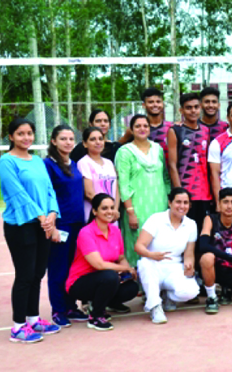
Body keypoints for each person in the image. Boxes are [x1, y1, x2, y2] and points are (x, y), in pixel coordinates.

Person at [0, 118, 62, 343]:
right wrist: (42, 217)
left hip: (43, 224)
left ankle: (33, 320)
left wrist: (52, 214)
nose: (26, 138)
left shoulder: (37, 160)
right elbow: (17, 194)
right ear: (11, 137)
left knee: (37, 274)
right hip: (21, 225)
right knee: (25, 276)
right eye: (20, 134)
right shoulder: (6, 161)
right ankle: (18, 327)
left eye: (29, 133)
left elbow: (49, 190)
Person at [66, 194, 139, 331]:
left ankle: (102, 303)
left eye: (112, 208)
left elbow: (121, 257)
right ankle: (96, 316)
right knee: (109, 277)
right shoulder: (86, 233)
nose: (109, 211)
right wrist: (124, 270)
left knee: (131, 288)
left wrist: (127, 270)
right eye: (104, 208)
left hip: (105, 278)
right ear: (94, 211)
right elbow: (98, 265)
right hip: (80, 283)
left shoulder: (115, 231)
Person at [44, 125, 88, 327]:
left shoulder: (74, 163)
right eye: (63, 138)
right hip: (61, 225)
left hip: (78, 223)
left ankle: (71, 306)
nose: (68, 142)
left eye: (71, 138)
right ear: (53, 141)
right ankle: (58, 309)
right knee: (58, 268)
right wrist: (51, 227)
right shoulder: (48, 165)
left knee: (73, 267)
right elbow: (45, 196)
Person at [134, 188, 200, 324]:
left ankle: (167, 296)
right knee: (145, 263)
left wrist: (189, 266)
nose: (182, 206)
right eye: (178, 202)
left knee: (192, 291)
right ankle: (155, 306)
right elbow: (139, 246)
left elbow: (189, 254)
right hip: (153, 265)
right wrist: (150, 254)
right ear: (170, 203)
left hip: (174, 267)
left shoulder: (191, 225)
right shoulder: (156, 219)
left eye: (186, 203)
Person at [116, 114, 171, 267]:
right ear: (131, 130)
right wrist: (130, 211)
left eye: (145, 126)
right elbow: (123, 184)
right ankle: (138, 284)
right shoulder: (125, 152)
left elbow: (166, 178)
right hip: (137, 207)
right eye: (138, 126)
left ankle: (160, 281)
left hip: (159, 205)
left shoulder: (158, 148)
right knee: (138, 241)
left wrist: (168, 203)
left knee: (159, 240)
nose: (142, 129)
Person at [167, 93, 214, 231]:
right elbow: (172, 164)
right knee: (185, 231)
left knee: (202, 232)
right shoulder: (175, 130)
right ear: (181, 110)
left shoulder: (206, 130)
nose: (193, 111)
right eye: (188, 108)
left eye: (196, 107)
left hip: (205, 192)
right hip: (186, 191)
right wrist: (179, 192)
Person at [77, 127, 120, 223]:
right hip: (96, 215)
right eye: (93, 139)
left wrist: (114, 209)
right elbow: (89, 193)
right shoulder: (84, 163)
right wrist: (106, 209)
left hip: (111, 216)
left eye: (100, 139)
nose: (98, 142)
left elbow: (116, 189)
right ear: (85, 144)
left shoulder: (109, 163)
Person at [119, 87, 173, 152]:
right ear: (144, 105)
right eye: (151, 102)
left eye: (158, 102)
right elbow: (119, 145)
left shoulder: (172, 127)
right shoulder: (135, 129)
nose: (155, 105)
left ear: (162, 104)